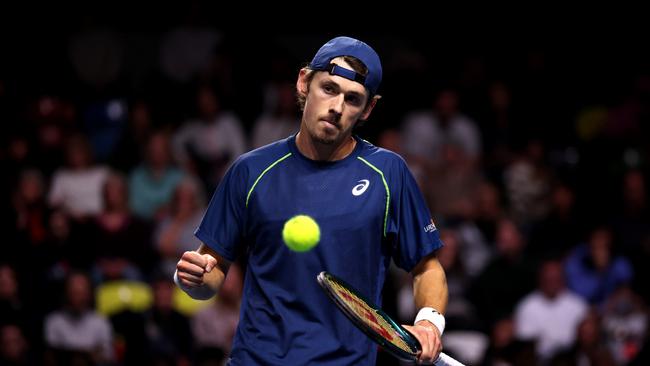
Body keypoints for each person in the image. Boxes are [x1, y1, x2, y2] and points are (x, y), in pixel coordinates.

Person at [174, 36, 448, 365]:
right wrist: (194, 278)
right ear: (304, 82)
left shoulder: (389, 174)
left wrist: (430, 322)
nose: (337, 108)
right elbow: (212, 271)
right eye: (329, 89)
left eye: (353, 99)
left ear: (368, 109)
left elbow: (426, 268)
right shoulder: (250, 171)